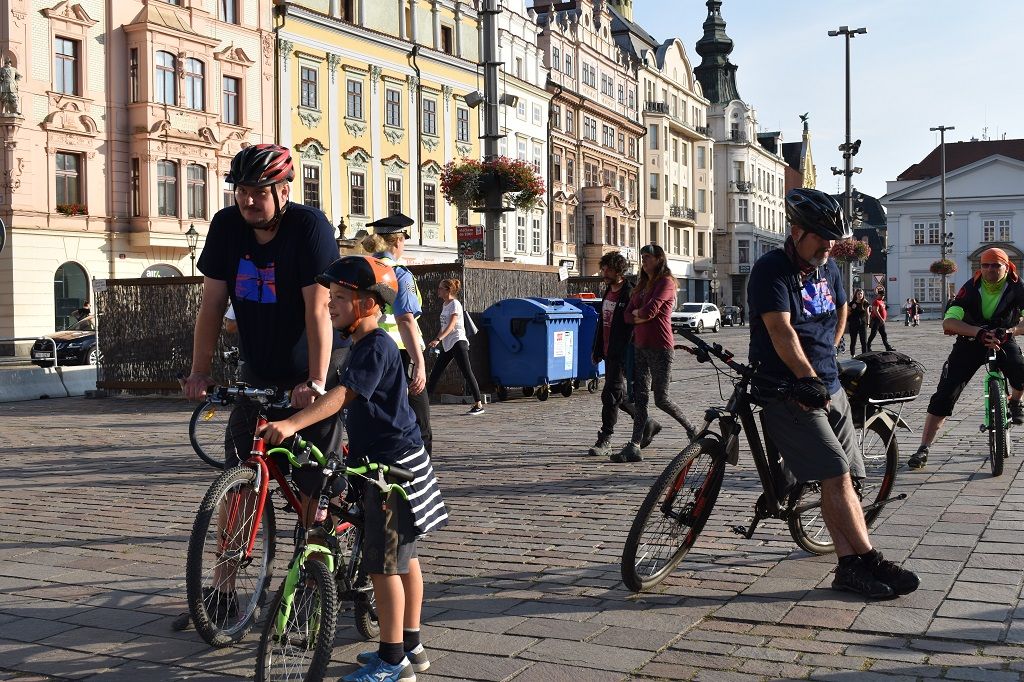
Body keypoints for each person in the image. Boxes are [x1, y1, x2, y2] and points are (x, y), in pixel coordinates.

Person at [260, 255, 447, 682]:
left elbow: (346, 394)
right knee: (405, 559)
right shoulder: (365, 345)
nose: (331, 304)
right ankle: (412, 646)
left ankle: (392, 661)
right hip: (395, 461)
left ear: (368, 303)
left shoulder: (376, 345)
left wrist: (292, 424)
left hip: (392, 471)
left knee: (384, 566)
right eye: (332, 296)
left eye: (340, 297)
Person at [179, 144, 343, 625]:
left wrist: (315, 380)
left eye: (259, 191)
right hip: (258, 371)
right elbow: (212, 304)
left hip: (310, 372)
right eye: (241, 191)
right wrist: (200, 371)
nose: (248, 200)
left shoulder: (310, 228)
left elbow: (318, 310)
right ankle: (224, 590)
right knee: (239, 483)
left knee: (314, 484)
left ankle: (311, 587)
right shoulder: (226, 227)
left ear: (283, 191)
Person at [748, 188, 919, 599]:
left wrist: (830, 348)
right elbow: (780, 330)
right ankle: (870, 558)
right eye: (822, 238)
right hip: (788, 389)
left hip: (830, 384)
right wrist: (807, 376)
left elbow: (841, 307)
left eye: (834, 238)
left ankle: (848, 567)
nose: (829, 246)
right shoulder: (772, 270)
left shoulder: (827, 269)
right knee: (836, 473)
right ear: (797, 232)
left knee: (847, 478)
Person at [907, 247, 1024, 469]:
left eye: (996, 265)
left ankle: (1016, 402)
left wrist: (1012, 331)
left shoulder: (1018, 287)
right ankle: (923, 448)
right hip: (971, 340)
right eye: (985, 265)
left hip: (1003, 338)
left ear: (1007, 267)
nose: (990, 269)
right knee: (945, 393)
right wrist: (978, 332)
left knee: (1020, 372)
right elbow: (949, 322)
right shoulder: (970, 288)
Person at [614, 244, 696, 463]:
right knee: (640, 397)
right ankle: (634, 445)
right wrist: (640, 315)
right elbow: (627, 316)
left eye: (648, 257)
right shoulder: (641, 285)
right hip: (640, 346)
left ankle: (692, 429)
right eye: (642, 257)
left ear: (659, 259)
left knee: (661, 398)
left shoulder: (666, 283)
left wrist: (640, 314)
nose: (644, 261)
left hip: (661, 347)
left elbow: (650, 311)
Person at [361, 214, 432, 455]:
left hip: (365, 351)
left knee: (375, 418)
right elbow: (405, 320)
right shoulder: (399, 273)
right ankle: (419, 470)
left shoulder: (362, 269)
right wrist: (420, 363)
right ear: (398, 241)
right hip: (399, 354)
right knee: (419, 422)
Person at [588, 251, 658, 458]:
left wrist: (633, 350)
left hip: (625, 352)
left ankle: (605, 439)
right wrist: (597, 350)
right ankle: (647, 422)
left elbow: (636, 324)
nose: (604, 273)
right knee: (620, 395)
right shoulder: (608, 292)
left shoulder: (630, 292)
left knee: (610, 394)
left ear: (619, 271)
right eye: (603, 269)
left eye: (608, 269)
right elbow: (603, 324)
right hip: (609, 351)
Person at [426, 278, 485, 415]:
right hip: (448, 345)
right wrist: (437, 339)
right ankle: (423, 404)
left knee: (467, 372)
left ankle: (478, 404)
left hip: (458, 342)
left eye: (440, 288)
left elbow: (452, 325)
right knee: (435, 373)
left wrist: (438, 339)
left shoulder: (455, 304)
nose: (438, 290)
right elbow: (444, 327)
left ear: (448, 290)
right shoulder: (445, 304)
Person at [866, 287, 894, 352]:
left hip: (881, 321)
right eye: (881, 295)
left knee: (884, 334)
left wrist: (883, 319)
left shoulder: (882, 302)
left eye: (883, 295)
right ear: (878, 295)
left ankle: (887, 347)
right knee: (873, 334)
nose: (882, 296)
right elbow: (875, 311)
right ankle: (868, 346)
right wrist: (881, 319)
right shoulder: (876, 302)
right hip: (876, 320)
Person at [847, 288, 869, 356]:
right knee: (853, 340)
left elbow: (867, 313)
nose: (860, 295)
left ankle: (864, 355)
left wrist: (868, 323)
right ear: (856, 295)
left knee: (864, 341)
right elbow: (847, 314)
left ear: (863, 294)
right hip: (853, 324)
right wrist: (852, 308)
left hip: (862, 324)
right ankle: (853, 355)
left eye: (861, 294)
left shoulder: (865, 303)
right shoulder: (851, 303)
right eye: (858, 294)